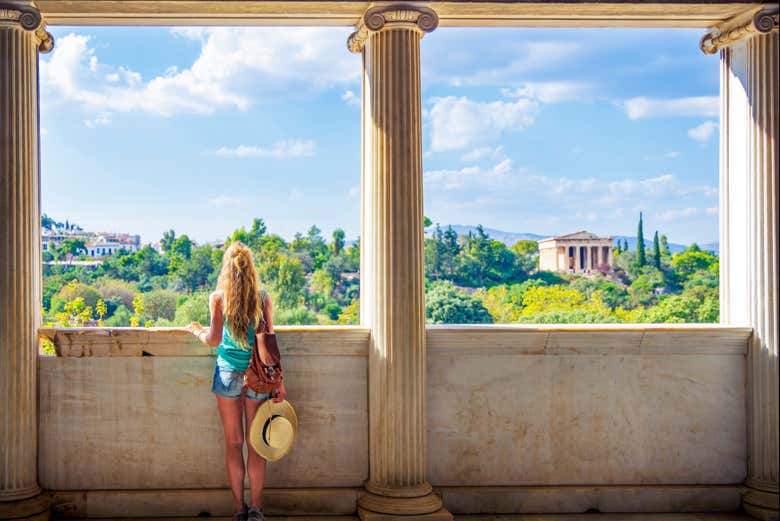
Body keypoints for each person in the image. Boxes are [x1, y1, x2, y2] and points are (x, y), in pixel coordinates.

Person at [186, 241, 287, 521]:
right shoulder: (263, 297)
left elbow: (215, 339)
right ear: (251, 269)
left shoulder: (218, 298)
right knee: (256, 445)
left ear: (227, 270)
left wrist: (197, 332)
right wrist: (279, 381)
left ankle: (239, 510)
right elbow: (270, 345)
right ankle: (256, 509)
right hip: (258, 377)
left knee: (233, 443)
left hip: (228, 374)